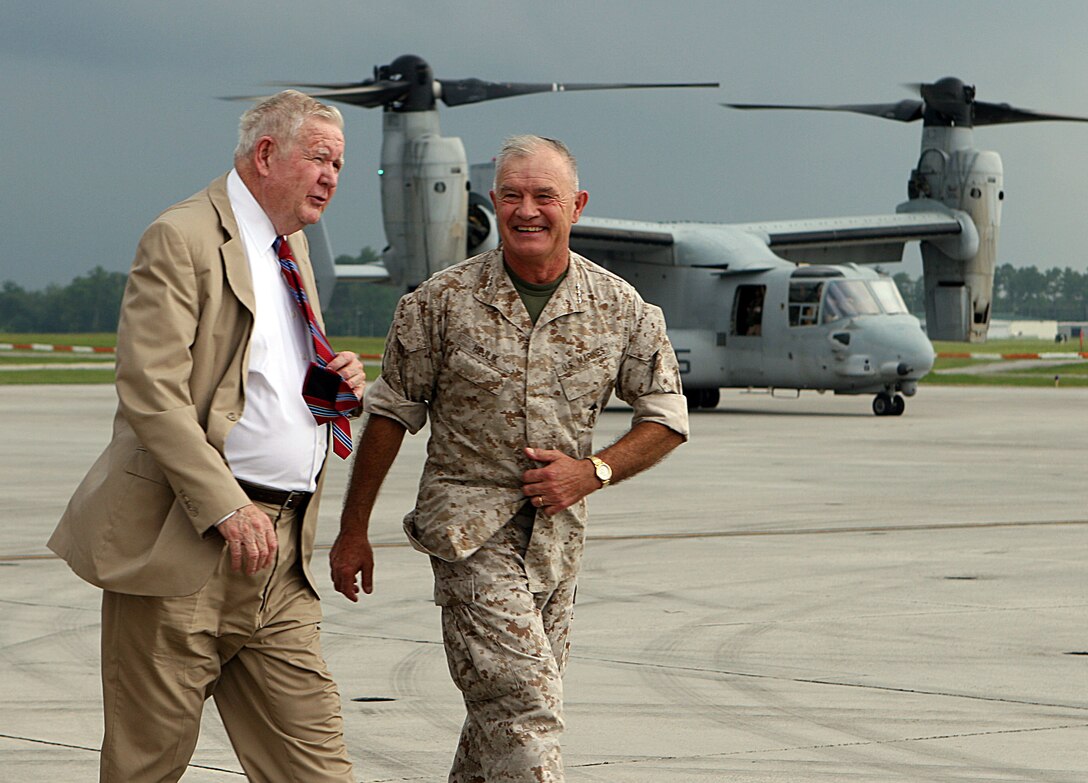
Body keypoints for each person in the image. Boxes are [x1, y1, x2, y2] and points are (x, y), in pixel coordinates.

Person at [330, 135, 689, 782]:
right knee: (528, 709)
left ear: (575, 205)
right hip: (468, 537)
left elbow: (666, 417)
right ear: (493, 203)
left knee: (497, 727)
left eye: (544, 196)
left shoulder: (620, 308)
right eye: (513, 195)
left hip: (555, 549)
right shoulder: (439, 304)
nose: (529, 210)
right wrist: (353, 530)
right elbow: (390, 414)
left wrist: (593, 471)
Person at [48, 90, 363, 782]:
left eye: (339, 163)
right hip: (186, 543)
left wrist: (336, 379)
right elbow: (151, 391)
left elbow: (265, 371)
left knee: (317, 767)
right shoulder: (182, 236)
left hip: (280, 551)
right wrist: (224, 504)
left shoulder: (294, 247)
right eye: (320, 158)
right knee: (146, 765)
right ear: (266, 154)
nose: (332, 176)